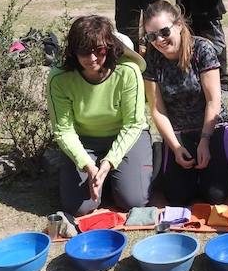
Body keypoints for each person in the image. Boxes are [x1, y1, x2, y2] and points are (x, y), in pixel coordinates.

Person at [47, 15, 152, 216]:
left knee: (133, 200)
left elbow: (133, 124)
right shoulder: (59, 78)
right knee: (79, 208)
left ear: (110, 48)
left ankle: (124, 172)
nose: (92, 58)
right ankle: (105, 176)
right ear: (73, 51)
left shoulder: (128, 71)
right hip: (85, 140)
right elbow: (63, 130)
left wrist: (108, 163)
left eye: (99, 51)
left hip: (126, 136)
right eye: (84, 51)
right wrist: (88, 165)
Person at [142, 0, 228, 205]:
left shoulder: (202, 49)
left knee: (215, 195)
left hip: (212, 125)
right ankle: (165, 153)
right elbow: (157, 110)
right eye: (151, 36)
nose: (159, 40)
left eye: (164, 32)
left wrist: (205, 140)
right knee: (177, 196)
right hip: (178, 132)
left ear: (179, 25)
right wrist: (175, 147)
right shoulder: (152, 59)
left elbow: (213, 101)